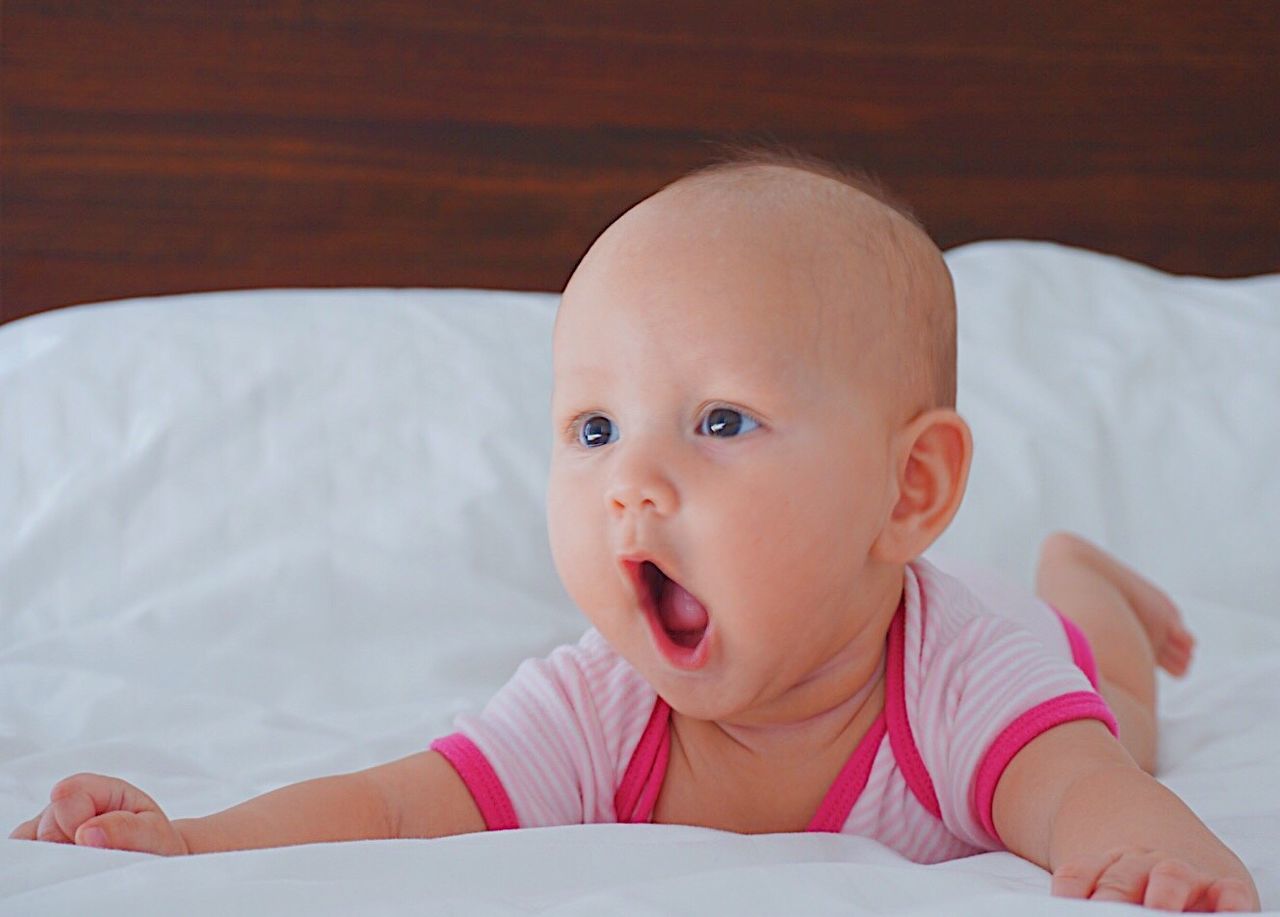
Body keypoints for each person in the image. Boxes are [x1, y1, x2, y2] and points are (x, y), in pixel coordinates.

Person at [10, 151, 1259, 912]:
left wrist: (1155, 861)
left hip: (1045, 650)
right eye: (594, 430)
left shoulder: (961, 677)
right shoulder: (596, 709)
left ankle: (1077, 572)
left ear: (908, 490)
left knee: (1124, 719)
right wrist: (191, 840)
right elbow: (398, 805)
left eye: (719, 418)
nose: (631, 484)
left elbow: (1088, 797)